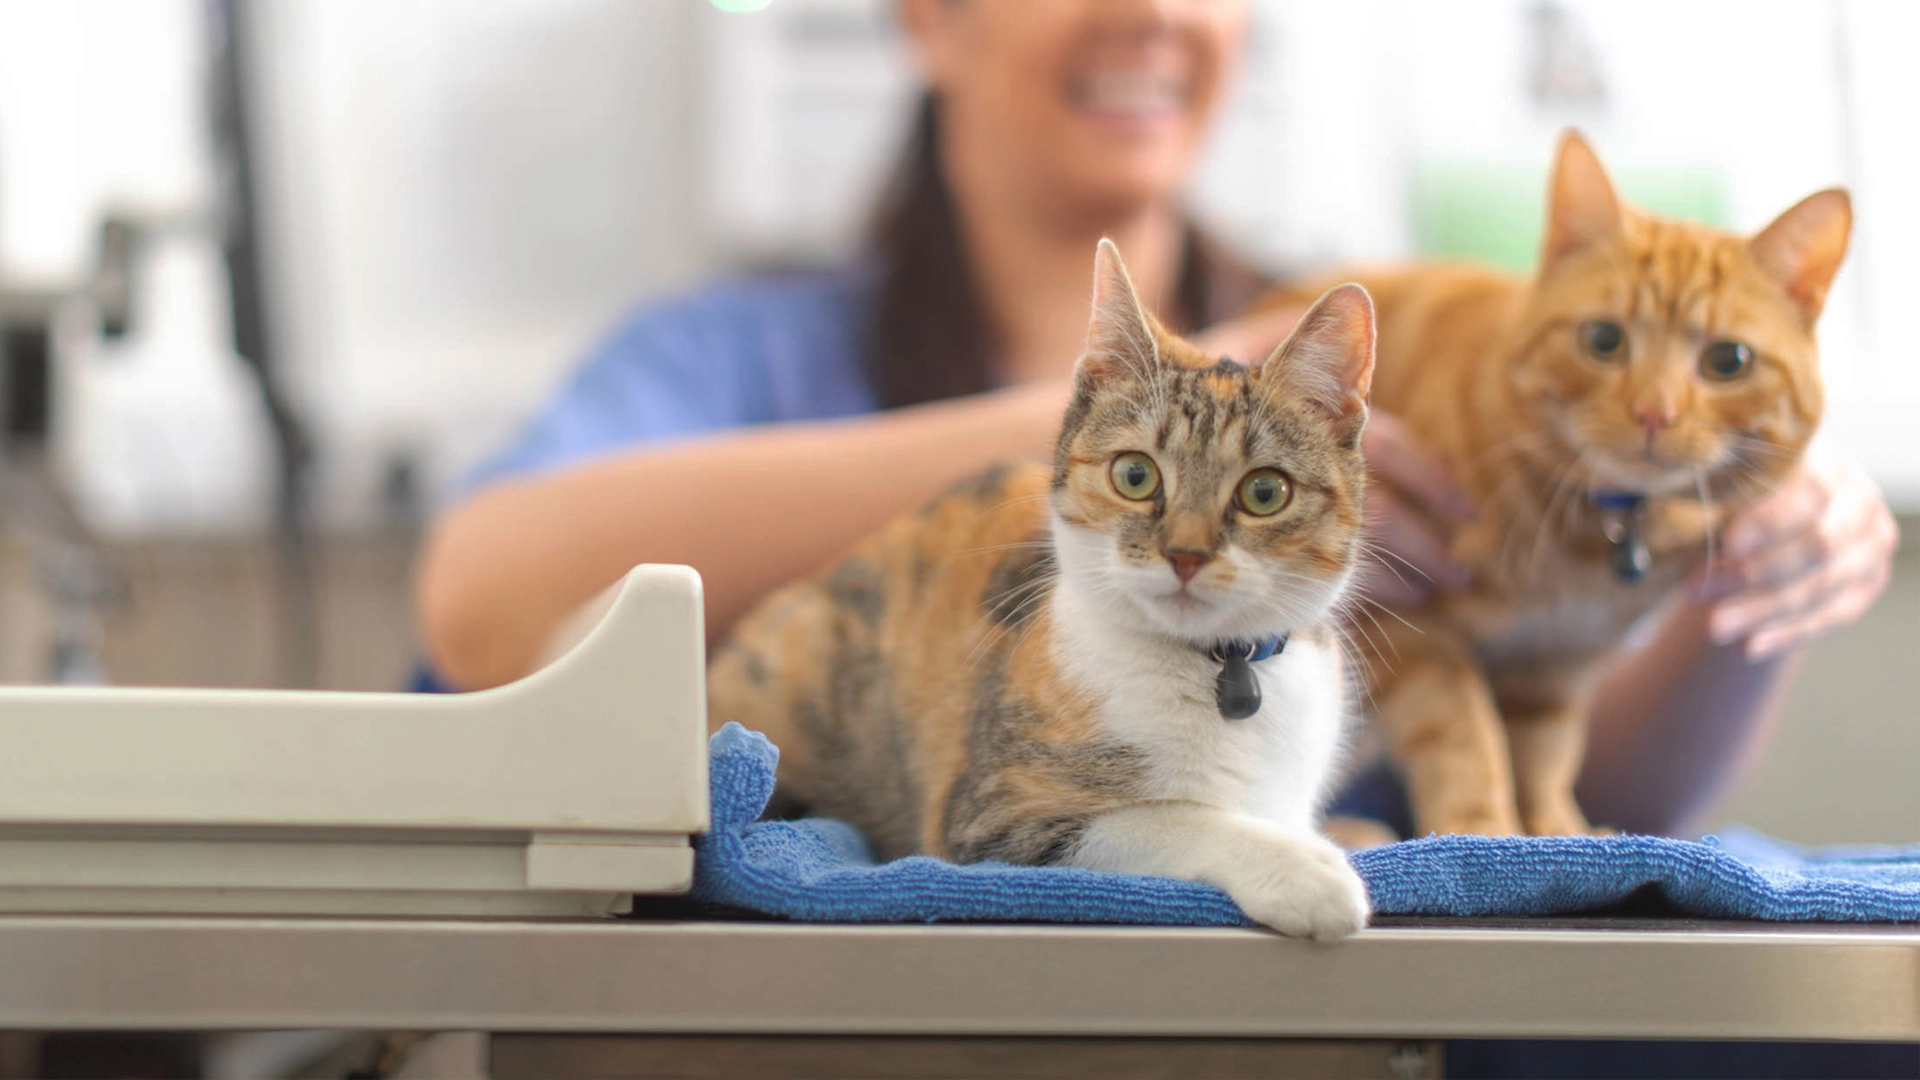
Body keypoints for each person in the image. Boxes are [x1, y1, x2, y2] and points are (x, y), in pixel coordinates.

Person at [415, 0, 1898, 838]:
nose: (1152, 16)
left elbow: (1592, 815)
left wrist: (1743, 583)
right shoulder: (741, 354)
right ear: (928, 19)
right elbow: (483, 614)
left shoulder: (1356, 358)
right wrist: (1142, 425)